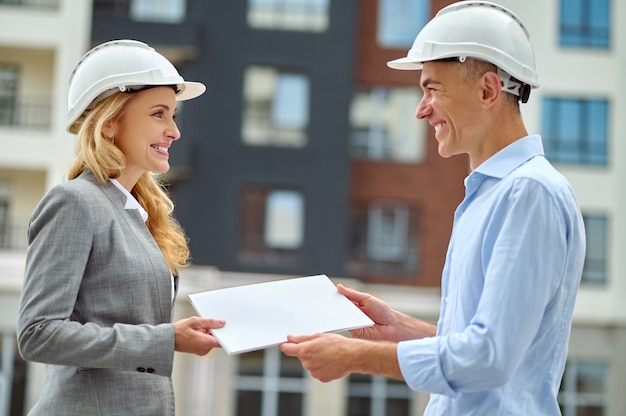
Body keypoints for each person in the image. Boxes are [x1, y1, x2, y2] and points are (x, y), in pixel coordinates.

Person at [280, 2, 586, 414]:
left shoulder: (528, 194)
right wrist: (397, 329)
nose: (422, 109)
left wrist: (353, 356)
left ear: (488, 90)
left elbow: (489, 357)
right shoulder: (494, 195)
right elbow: (483, 345)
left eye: (432, 89)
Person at [17, 40, 225, 415]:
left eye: (173, 115)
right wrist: (165, 340)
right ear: (110, 122)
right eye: (159, 114)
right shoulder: (75, 203)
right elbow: (38, 334)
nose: (174, 131)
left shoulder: (140, 214)